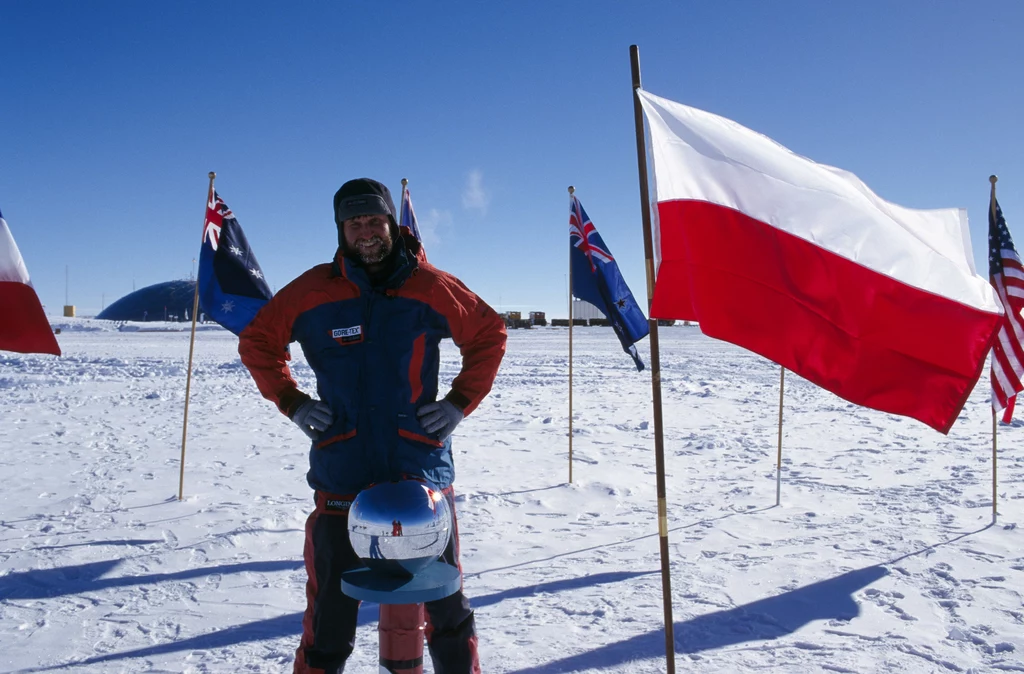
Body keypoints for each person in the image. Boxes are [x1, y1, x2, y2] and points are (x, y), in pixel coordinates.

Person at [238, 178, 506, 674]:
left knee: (444, 606)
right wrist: (294, 403)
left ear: (391, 223)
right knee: (329, 617)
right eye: (354, 222)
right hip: (344, 475)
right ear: (341, 229)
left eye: (374, 220)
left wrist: (458, 403)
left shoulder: (430, 285)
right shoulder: (313, 291)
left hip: (419, 473)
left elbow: (488, 332)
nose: (366, 231)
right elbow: (257, 342)